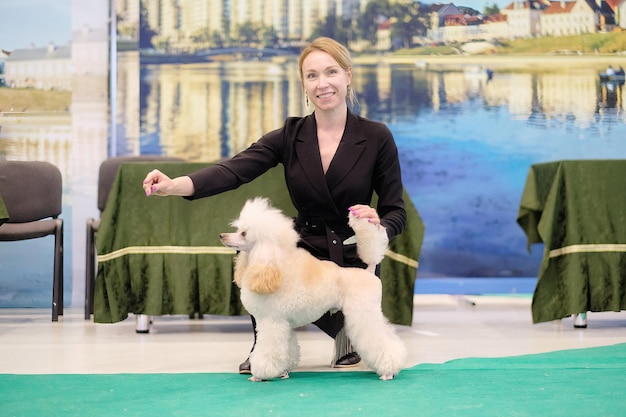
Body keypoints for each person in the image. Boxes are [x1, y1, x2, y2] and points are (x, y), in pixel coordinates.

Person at [142, 37, 406, 374]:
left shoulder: (376, 136)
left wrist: (378, 223)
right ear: (303, 84)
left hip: (351, 254)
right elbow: (233, 170)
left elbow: (396, 209)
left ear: (348, 76)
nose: (322, 84)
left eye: (331, 72)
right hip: (304, 247)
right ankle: (270, 349)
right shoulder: (290, 134)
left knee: (352, 314)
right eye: (312, 76)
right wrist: (175, 186)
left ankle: (346, 335)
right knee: (261, 261)